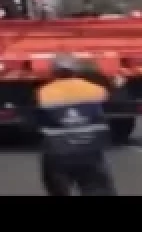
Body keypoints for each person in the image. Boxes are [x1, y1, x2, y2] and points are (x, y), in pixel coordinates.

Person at [35, 54, 117, 196]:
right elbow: (110, 103)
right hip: (90, 149)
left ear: (53, 73)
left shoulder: (44, 92)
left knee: (58, 188)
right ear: (76, 72)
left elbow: (36, 120)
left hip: (57, 152)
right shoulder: (95, 89)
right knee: (96, 187)